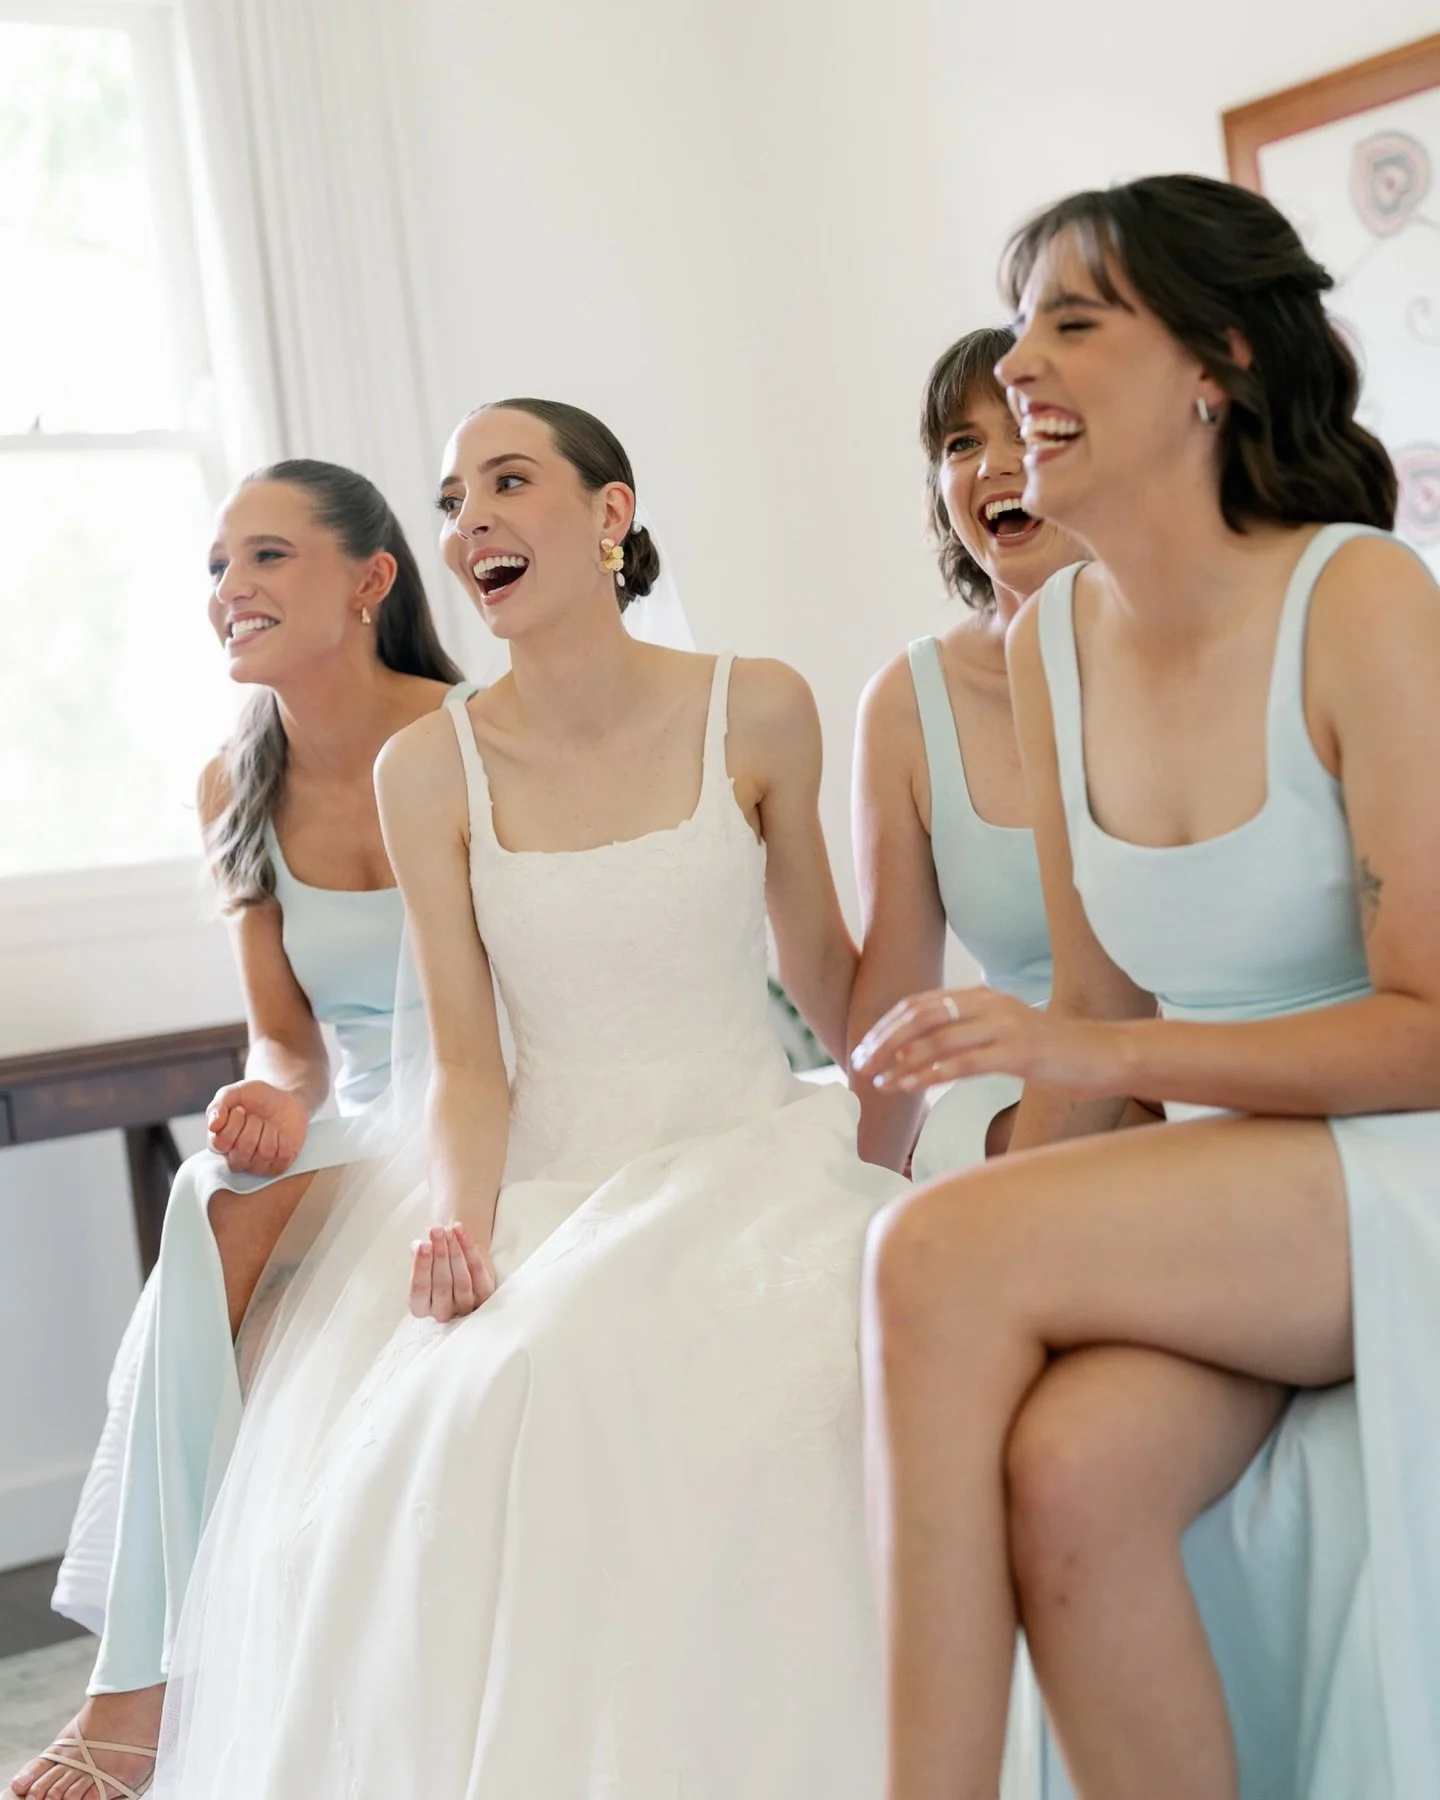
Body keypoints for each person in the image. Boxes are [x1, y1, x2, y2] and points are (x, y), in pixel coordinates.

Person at [151, 398, 906, 1798]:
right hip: (550, 1173)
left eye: (510, 481)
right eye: (451, 499)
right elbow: (469, 1055)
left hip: (747, 1148)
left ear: (611, 515)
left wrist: (902, 1162)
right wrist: (463, 1229)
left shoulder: (762, 705)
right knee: (494, 1401)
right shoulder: (426, 766)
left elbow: (832, 983)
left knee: (772, 1382)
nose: (470, 519)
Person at [856, 173, 1440, 1800]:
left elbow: (1433, 1037)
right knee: (1067, 1475)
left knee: (929, 1243)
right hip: (1236, 1202)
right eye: (1021, 321)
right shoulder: (1051, 647)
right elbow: (1099, 1051)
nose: (1019, 366)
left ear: (1218, 365)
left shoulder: (1363, 600)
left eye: (1074, 321)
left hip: (1405, 1174)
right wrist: (997, 1252)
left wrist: (985, 1217)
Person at [13, 461, 468, 1800]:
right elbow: (288, 1038)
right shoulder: (234, 786)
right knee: (212, 1189)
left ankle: (129, 1709)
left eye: (265, 557)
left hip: (502, 1099)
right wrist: (271, 1093)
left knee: (229, 1252)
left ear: (370, 581)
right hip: (369, 1115)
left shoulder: (477, 739)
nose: (230, 591)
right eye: (216, 568)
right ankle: (128, 1696)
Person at [850, 327, 1087, 1178]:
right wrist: (860, 1190)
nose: (993, 463)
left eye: (1025, 430)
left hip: (1199, 1055)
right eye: (962, 444)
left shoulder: (1190, 651)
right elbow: (895, 994)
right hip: (1015, 1092)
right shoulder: (908, 703)